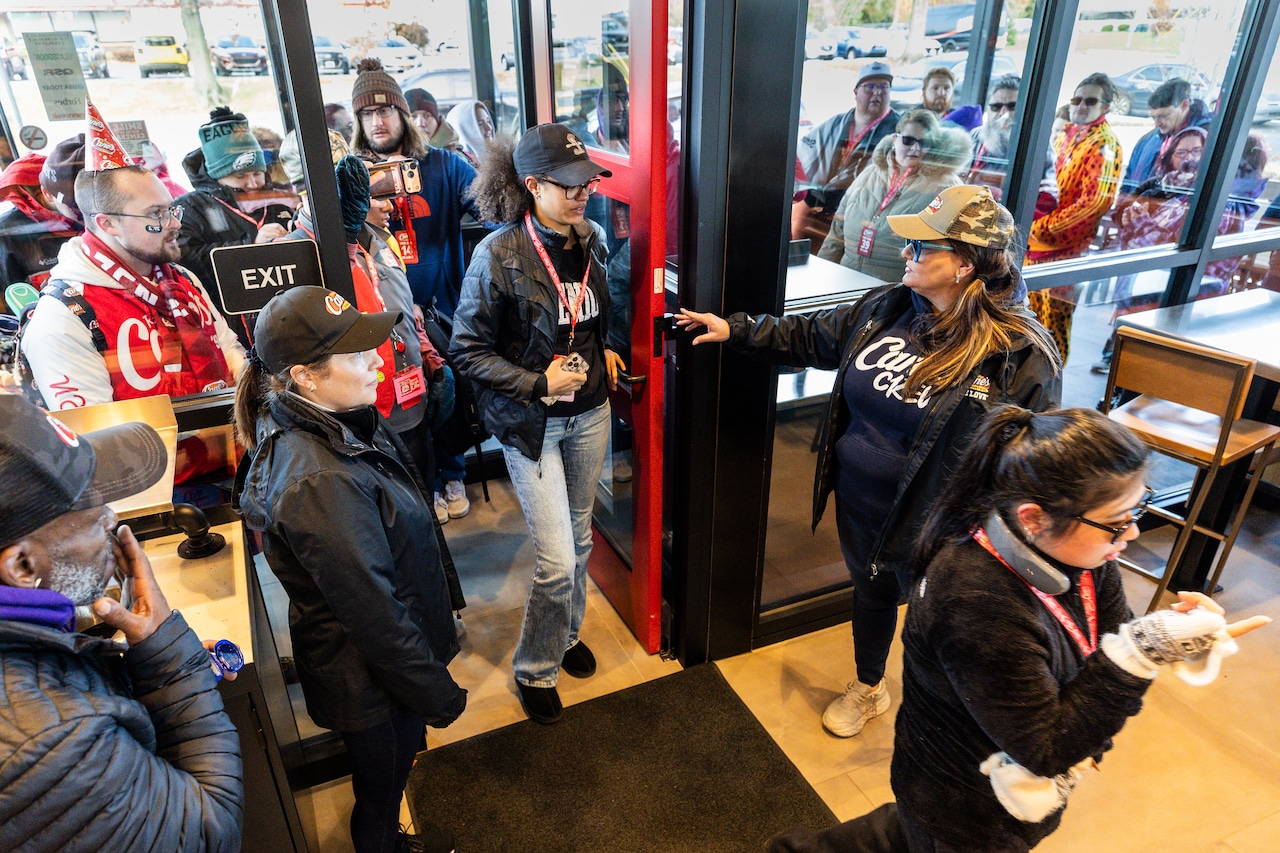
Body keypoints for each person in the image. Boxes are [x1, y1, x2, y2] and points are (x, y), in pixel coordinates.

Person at [767, 406, 1270, 852]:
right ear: (1033, 518)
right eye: (1118, 521)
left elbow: (1104, 642)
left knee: (902, 834)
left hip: (971, 788)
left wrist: (1171, 635)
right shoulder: (973, 597)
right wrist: (1143, 651)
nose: (1132, 533)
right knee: (918, 832)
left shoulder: (1081, 551)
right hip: (965, 809)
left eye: (1136, 511)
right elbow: (1047, 748)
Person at [677, 185, 1061, 739]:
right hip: (863, 504)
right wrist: (734, 329)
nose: (907, 255)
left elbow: (1028, 465)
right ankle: (869, 686)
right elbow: (811, 335)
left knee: (946, 625)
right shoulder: (888, 308)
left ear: (965, 265)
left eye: (923, 249)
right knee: (873, 592)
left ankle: (950, 722)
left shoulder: (1018, 355)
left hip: (941, 529)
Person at [234, 285, 466, 853]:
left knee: (386, 786)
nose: (377, 360)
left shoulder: (345, 421)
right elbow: (374, 611)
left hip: (381, 673)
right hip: (370, 682)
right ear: (306, 375)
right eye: (357, 354)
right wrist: (435, 689)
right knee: (381, 797)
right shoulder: (321, 478)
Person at [0, 393, 244, 852]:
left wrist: (146, 659)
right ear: (23, 568)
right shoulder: (48, 746)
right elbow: (212, 828)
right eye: (94, 519)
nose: (113, 518)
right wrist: (176, 670)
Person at [449, 123, 626, 725]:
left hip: (591, 412)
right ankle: (535, 668)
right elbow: (466, 350)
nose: (584, 195)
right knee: (555, 556)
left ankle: (565, 634)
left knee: (579, 540)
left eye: (589, 183)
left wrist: (602, 346)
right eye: (570, 186)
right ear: (532, 187)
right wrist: (537, 382)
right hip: (532, 423)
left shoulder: (592, 239)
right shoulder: (498, 253)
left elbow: (593, 311)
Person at [349, 59, 487, 523]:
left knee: (450, 396)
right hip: (383, 317)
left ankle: (452, 474)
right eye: (368, 114)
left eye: (387, 110)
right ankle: (419, 484)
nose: (378, 121)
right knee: (400, 405)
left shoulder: (444, 166)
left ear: (405, 116)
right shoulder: (350, 178)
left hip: (444, 307)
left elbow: (491, 207)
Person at [21, 164, 245, 412]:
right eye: (156, 214)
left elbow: (231, 354)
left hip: (233, 444)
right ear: (108, 224)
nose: (174, 224)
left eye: (171, 209)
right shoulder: (62, 317)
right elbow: (97, 438)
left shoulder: (182, 279)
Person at [1089, 129, 1267, 374]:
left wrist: (1139, 223)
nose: (1193, 160)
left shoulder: (1219, 204)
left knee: (1146, 369)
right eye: (1186, 152)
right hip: (1166, 293)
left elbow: (1157, 249)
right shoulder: (1197, 196)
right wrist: (1134, 222)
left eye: (1201, 152)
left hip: (1177, 298)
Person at [176, 107, 298, 343]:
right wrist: (249, 246)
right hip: (229, 325)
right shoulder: (190, 207)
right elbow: (184, 258)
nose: (253, 183)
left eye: (257, 173)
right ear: (217, 175)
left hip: (285, 316)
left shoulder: (278, 201)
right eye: (240, 177)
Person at [1026, 73, 1124, 364]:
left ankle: (1049, 389)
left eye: (1090, 101)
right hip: (1037, 247)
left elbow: (1093, 204)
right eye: (1076, 100)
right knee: (1030, 322)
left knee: (1054, 327)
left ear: (1105, 107)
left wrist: (1043, 228)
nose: (1081, 106)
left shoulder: (1106, 144)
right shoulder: (1067, 135)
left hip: (1064, 253)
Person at [817, 109, 972, 283]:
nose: (915, 148)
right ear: (895, 139)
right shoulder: (871, 172)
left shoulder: (946, 186)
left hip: (897, 294)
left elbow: (951, 253)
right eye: (908, 140)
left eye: (924, 142)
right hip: (845, 283)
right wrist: (822, 276)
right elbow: (837, 230)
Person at [793, 61, 900, 251]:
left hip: (858, 212)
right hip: (817, 202)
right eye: (870, 87)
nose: (877, 93)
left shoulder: (898, 130)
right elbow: (803, 154)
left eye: (884, 87)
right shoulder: (836, 123)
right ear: (855, 91)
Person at [0, 136, 84, 294]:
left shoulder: (94, 215)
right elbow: (12, 299)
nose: (82, 206)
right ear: (45, 192)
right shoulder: (8, 235)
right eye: (74, 197)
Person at [1119, 77, 1213, 199]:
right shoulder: (1147, 140)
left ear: (1184, 106)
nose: (1157, 123)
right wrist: (1120, 210)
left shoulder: (1206, 141)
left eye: (1163, 116)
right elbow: (1129, 181)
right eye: (1154, 118)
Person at [964, 74, 1020, 199]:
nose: (1003, 113)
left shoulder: (1031, 144)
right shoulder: (976, 135)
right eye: (996, 107)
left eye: (1012, 107)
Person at [405, 87, 466, 155]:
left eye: (427, 116)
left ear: (437, 121)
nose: (420, 123)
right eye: (413, 116)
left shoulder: (454, 156)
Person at [446, 99, 497, 165]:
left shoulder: (496, 157)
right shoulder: (460, 166)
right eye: (480, 124)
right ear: (464, 130)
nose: (489, 128)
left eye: (488, 121)